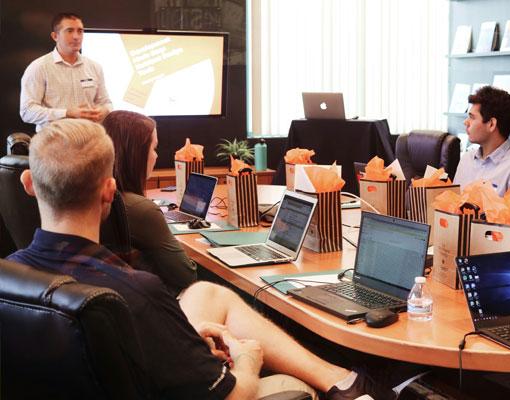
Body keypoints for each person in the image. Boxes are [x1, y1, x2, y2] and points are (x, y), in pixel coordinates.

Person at [8, 118, 400, 399]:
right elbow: (232, 393)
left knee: (207, 292)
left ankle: (342, 378)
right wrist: (246, 360)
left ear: (28, 184)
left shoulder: (12, 276)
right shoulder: (135, 292)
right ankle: (343, 383)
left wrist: (184, 341)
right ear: (109, 191)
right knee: (292, 388)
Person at [102, 110, 196, 295]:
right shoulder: (141, 210)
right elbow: (187, 276)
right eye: (153, 148)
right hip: (157, 304)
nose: (156, 156)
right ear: (136, 154)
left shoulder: (96, 197)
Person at [19, 12, 112, 132]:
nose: (76, 36)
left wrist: (103, 111)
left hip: (90, 140)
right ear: (55, 36)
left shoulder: (94, 67)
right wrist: (66, 113)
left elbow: (106, 103)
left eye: (80, 31)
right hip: (54, 143)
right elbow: (27, 112)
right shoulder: (39, 68)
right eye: (69, 31)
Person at [453, 86, 510, 205]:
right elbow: (451, 208)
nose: (466, 122)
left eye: (472, 117)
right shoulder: (466, 160)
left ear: (491, 124)